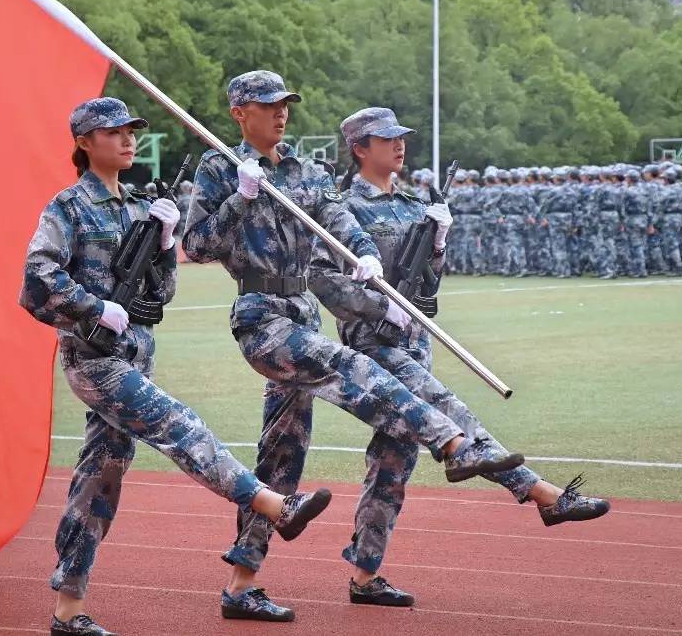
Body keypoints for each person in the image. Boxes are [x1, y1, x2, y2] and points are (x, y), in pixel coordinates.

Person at [184, 73, 525, 621]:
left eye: (286, 105)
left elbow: (337, 221)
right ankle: (455, 445)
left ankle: (241, 587)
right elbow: (197, 246)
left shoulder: (303, 170)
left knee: (282, 452)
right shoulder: (220, 168)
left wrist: (364, 253)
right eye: (269, 105)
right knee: (347, 363)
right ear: (238, 112)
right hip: (261, 315)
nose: (281, 114)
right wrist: (238, 200)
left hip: (303, 312)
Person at [21, 97, 333, 636]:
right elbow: (35, 277)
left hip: (134, 358)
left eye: (130, 131)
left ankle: (67, 611)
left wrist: (164, 244)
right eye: (113, 132)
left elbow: (159, 295)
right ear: (84, 142)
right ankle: (273, 505)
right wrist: (95, 307)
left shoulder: (141, 208)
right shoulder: (68, 207)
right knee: (178, 424)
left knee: (99, 480)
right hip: (95, 362)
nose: (127, 139)